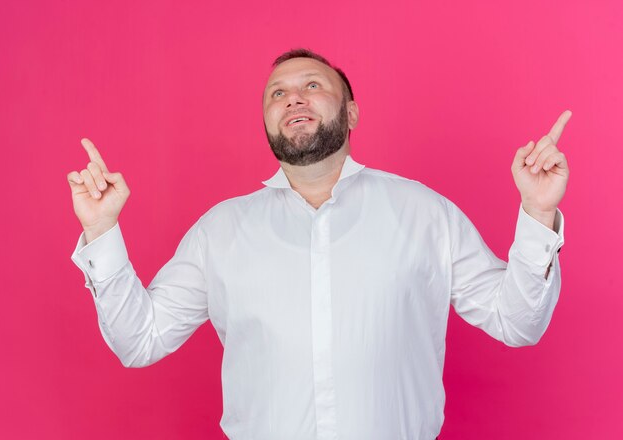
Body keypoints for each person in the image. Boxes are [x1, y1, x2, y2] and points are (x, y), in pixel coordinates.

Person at [68, 48, 569, 440]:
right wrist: (101, 230)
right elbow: (141, 340)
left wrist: (538, 212)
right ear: (267, 121)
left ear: (351, 113)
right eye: (276, 93)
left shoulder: (425, 214)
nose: (293, 98)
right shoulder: (220, 232)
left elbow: (517, 322)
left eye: (313, 85)